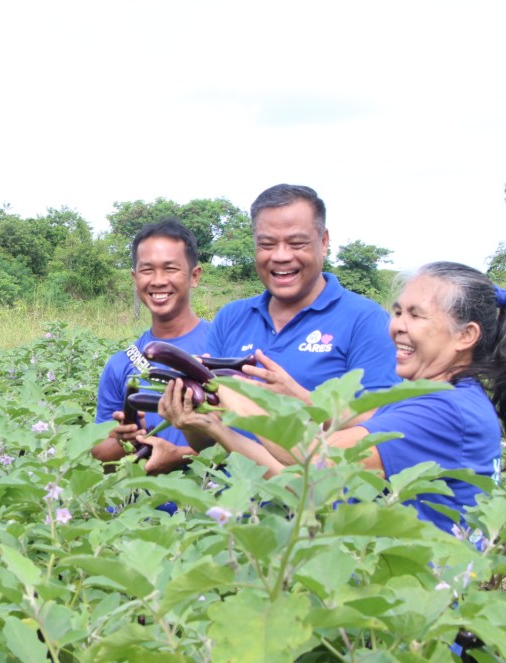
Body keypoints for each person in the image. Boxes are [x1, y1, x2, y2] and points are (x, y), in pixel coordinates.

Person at [158, 262, 506, 534]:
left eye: (416, 315)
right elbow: (297, 485)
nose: (397, 326)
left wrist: (233, 391)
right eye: (398, 312)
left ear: (466, 336)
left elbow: (311, 461)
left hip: (421, 607)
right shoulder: (429, 397)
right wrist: (216, 428)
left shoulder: (444, 410)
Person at [205, 184, 399, 401]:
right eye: (267, 244)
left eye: (296, 243)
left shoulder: (366, 320)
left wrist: (301, 399)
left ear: (323, 242)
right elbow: (203, 433)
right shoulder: (230, 317)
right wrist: (190, 416)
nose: (281, 256)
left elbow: (384, 423)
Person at [91, 218, 210, 474]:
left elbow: (250, 442)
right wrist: (123, 440)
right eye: (147, 270)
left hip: (207, 507)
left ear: (194, 276)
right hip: (137, 509)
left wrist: (181, 456)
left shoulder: (222, 348)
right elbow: (100, 454)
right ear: (135, 278)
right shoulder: (121, 363)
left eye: (170, 269)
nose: (158, 281)